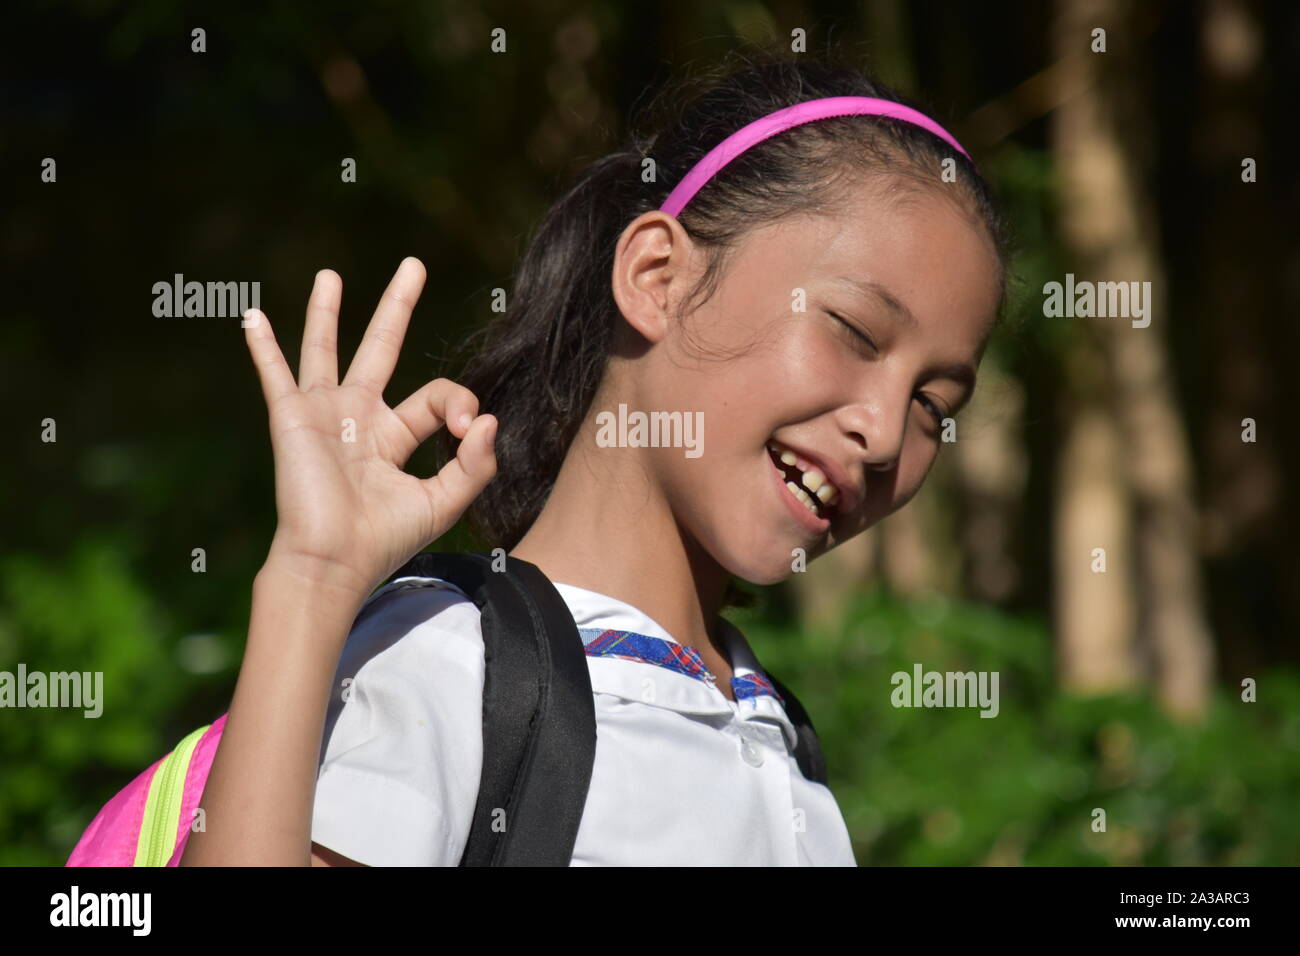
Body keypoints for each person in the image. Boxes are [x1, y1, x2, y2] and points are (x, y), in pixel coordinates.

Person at [179, 49, 1010, 867]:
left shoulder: (789, 759)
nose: (887, 433)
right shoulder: (449, 667)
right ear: (656, 276)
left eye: (934, 405)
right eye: (855, 331)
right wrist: (313, 581)